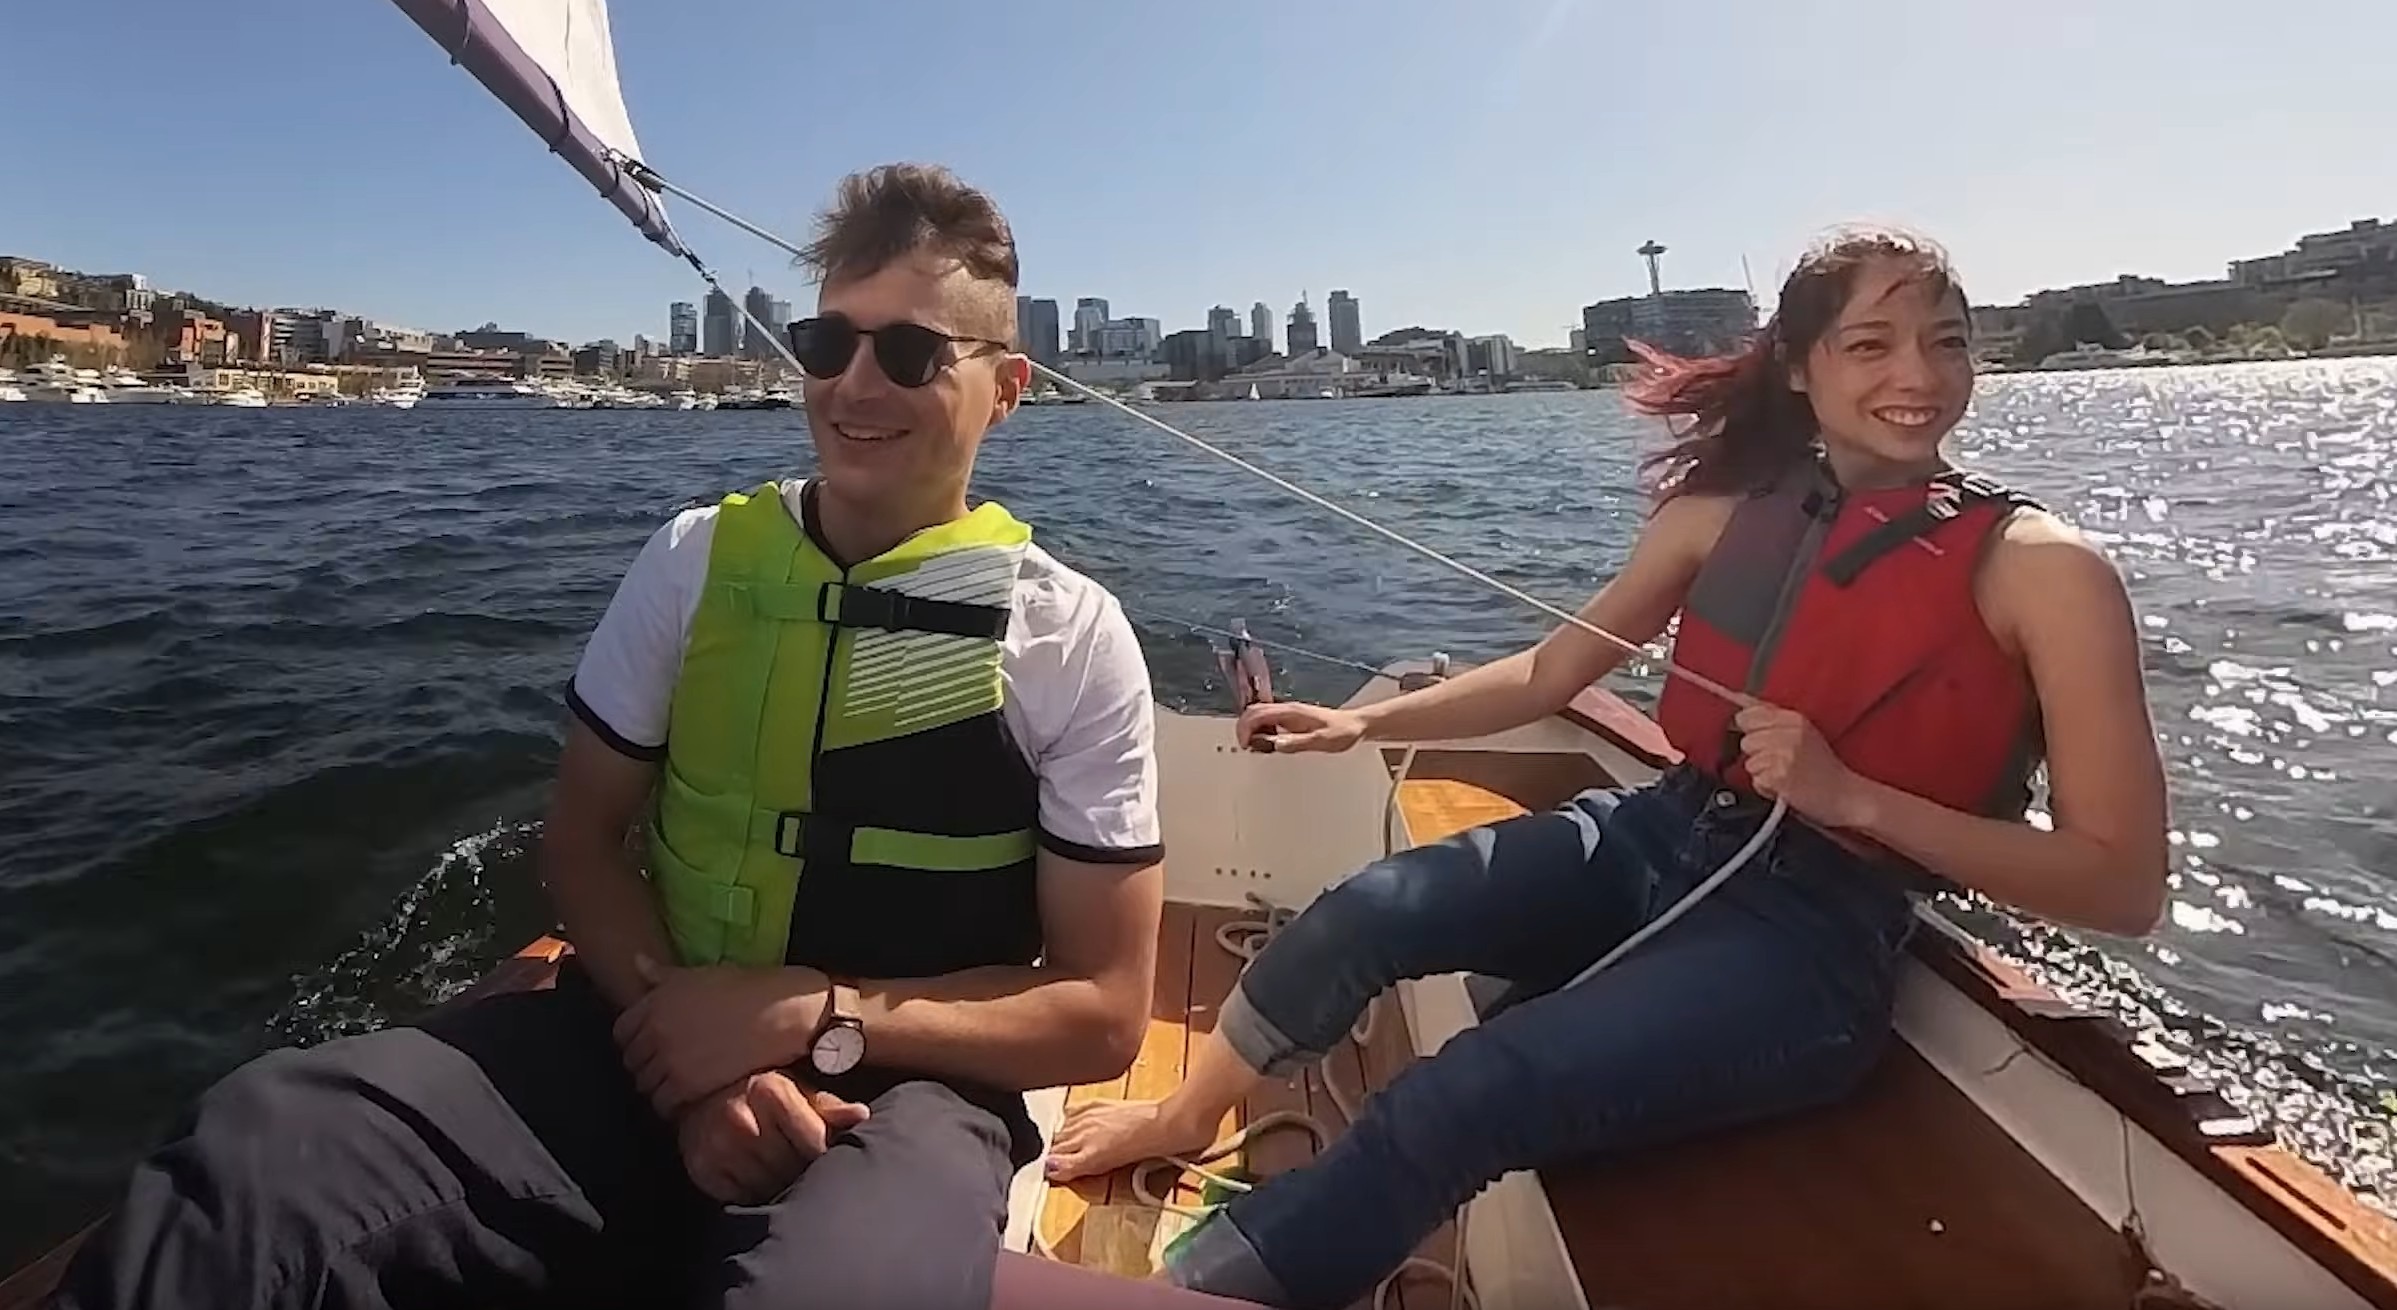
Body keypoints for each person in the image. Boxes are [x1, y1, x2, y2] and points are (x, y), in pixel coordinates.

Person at [50, 163, 1168, 1310]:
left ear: (1008, 387)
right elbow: (581, 839)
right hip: (646, 1020)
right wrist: (691, 1064)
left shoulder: (1069, 638)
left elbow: (1103, 1007)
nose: (853, 383)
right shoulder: (693, 561)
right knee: (261, 1154)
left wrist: (820, 1013)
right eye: (828, 342)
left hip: (918, 1080)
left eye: (912, 353)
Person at [1044, 227, 2171, 1309]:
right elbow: (1550, 672)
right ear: (1799, 367)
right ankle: (1187, 1113)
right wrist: (1358, 726)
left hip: (1817, 937)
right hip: (1658, 828)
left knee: (1468, 1090)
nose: (1917, 374)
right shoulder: (1723, 514)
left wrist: (1852, 797)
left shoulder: (2042, 570)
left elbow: (2120, 884)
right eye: (1871, 344)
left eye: (1947, 340)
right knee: (1358, 913)